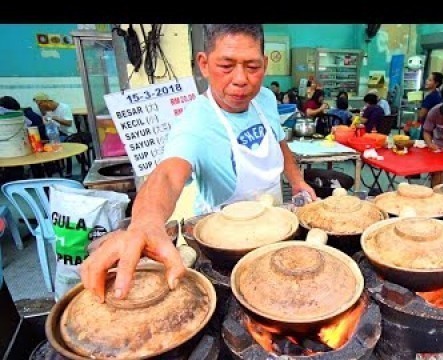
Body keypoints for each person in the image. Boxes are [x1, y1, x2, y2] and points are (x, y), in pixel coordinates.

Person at [80, 24, 318, 303]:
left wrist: (297, 180)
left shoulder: (264, 98)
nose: (241, 79)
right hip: (225, 246)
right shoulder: (195, 123)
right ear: (204, 64)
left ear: (264, 65)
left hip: (275, 228)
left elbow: (279, 141)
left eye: (252, 66)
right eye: (226, 66)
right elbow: (168, 175)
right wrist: (145, 224)